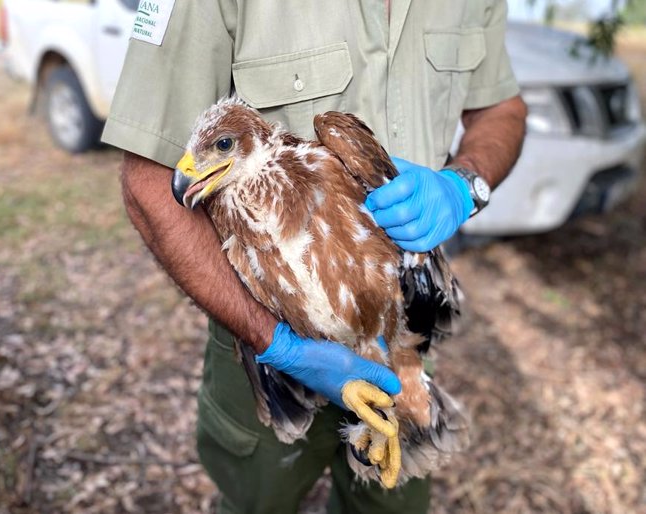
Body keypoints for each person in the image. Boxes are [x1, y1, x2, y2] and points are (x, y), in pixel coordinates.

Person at [102, 1, 527, 512]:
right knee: (255, 503)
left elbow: (502, 109)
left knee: (391, 501)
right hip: (261, 333)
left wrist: (463, 186)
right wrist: (276, 344)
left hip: (396, 325)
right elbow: (150, 181)